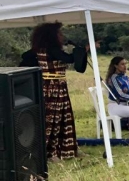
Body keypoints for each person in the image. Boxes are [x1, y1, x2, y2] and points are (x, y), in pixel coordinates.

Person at [27, 22, 88, 160]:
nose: (61, 36)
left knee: (56, 118)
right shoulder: (52, 49)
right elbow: (69, 59)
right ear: (52, 36)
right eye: (59, 33)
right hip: (54, 88)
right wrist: (84, 49)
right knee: (55, 119)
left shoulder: (41, 49)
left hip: (51, 86)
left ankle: (58, 150)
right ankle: (51, 151)